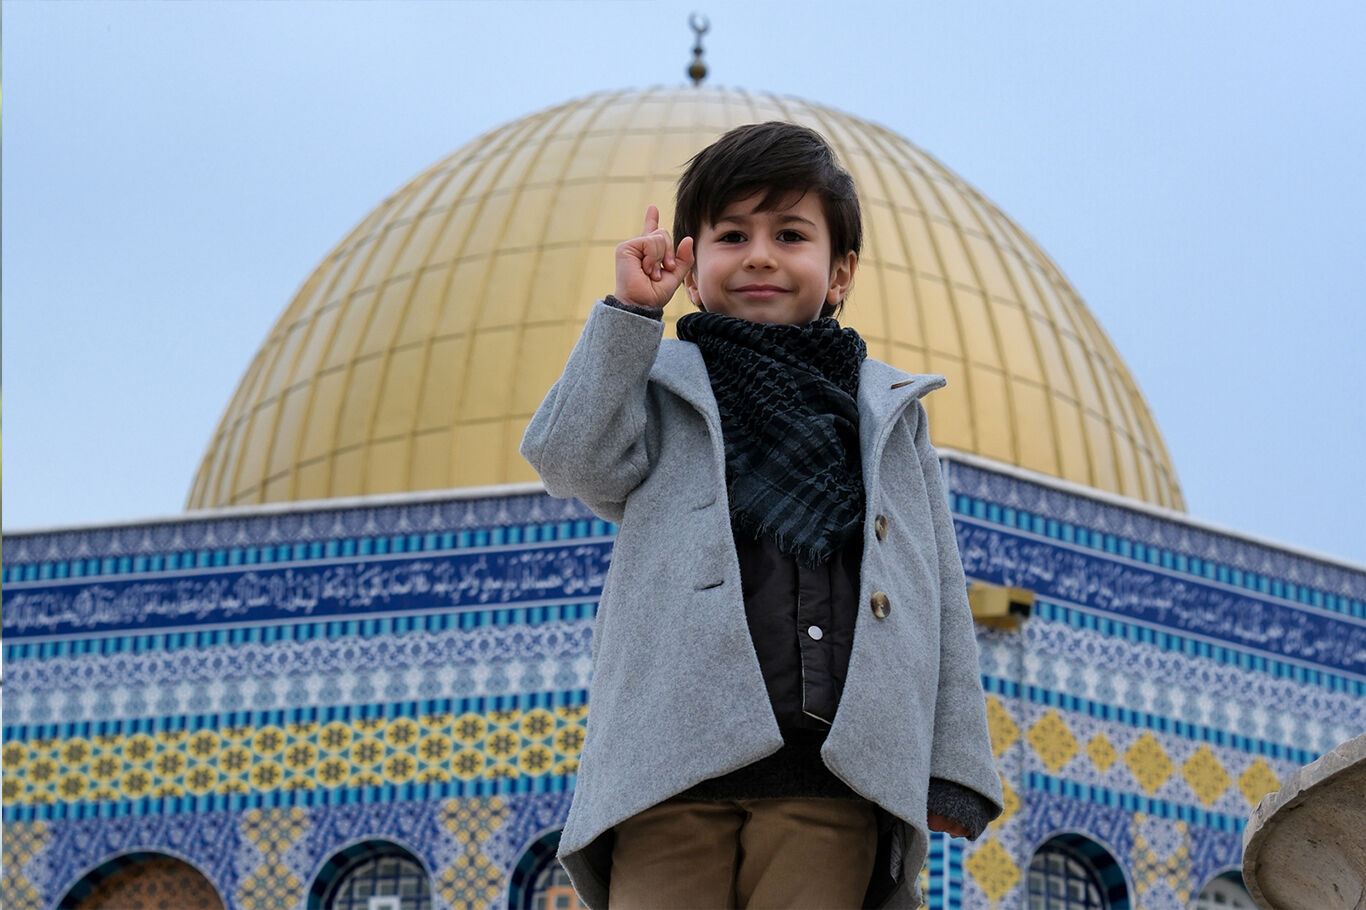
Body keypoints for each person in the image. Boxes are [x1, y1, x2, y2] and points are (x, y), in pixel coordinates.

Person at [521, 122, 1002, 909]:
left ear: (840, 272)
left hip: (831, 772)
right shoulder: (659, 387)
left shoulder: (884, 413)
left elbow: (937, 590)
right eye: (732, 236)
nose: (759, 256)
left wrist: (953, 767)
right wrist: (628, 317)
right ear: (691, 267)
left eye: (789, 235)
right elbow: (571, 461)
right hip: (668, 769)